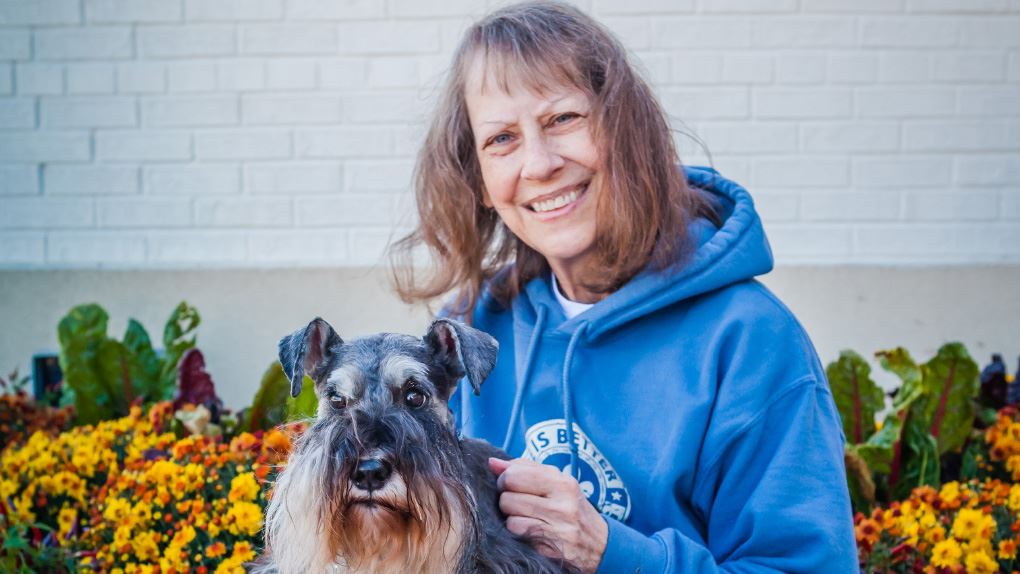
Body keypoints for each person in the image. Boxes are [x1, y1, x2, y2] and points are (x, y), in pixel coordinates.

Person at [391, 2, 858, 572]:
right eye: (502, 140)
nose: (538, 164)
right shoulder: (470, 330)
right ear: (482, 183)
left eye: (563, 119)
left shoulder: (750, 341)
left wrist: (616, 553)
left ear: (625, 130)